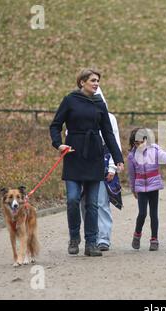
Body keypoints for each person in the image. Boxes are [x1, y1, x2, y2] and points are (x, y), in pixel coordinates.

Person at [49, 68, 124, 257]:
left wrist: (118, 159)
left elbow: (108, 133)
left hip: (94, 156)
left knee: (92, 203)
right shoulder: (70, 100)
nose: (96, 83)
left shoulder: (100, 104)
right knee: (73, 199)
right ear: (82, 82)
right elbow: (55, 125)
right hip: (74, 154)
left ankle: (91, 243)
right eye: (92, 80)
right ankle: (74, 237)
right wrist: (59, 145)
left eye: (97, 80)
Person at [80, 87, 122, 252]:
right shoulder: (78, 115)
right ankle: (91, 237)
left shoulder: (109, 118)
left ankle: (103, 238)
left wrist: (112, 166)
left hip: (103, 160)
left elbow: (114, 141)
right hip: (82, 161)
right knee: (84, 202)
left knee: (101, 201)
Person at [127, 128, 166, 251]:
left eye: (141, 142)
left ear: (146, 140)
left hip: (154, 186)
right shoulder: (132, 156)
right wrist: (133, 189)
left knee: (153, 214)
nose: (139, 145)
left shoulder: (155, 150)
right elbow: (131, 174)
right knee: (142, 213)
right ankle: (137, 234)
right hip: (141, 188)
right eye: (136, 143)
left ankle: (154, 239)